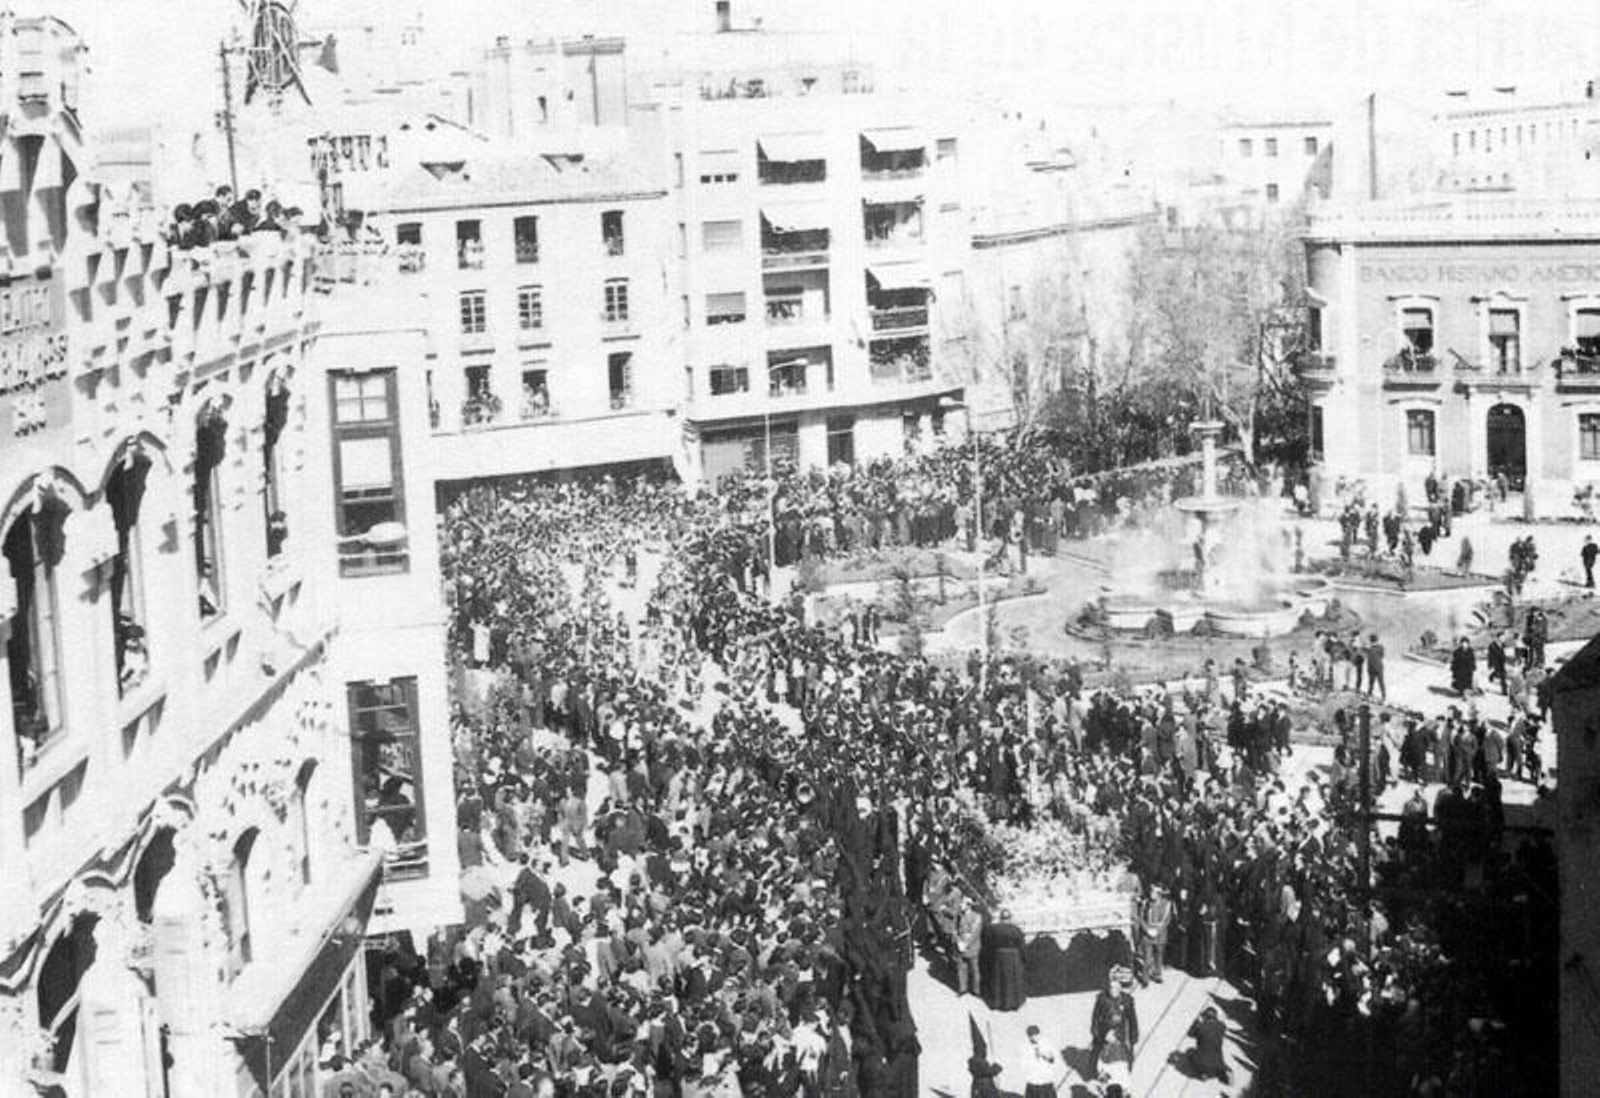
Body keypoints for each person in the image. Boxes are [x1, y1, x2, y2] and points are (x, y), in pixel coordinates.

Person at [1089, 968, 1139, 1080]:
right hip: (1104, 1033)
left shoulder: (1127, 1001)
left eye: (1115, 987)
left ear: (1120, 988)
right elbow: (1095, 1018)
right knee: (1100, 1057)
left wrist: (1133, 1037)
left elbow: (1132, 1020)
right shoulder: (1101, 999)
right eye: (1111, 987)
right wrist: (1096, 1034)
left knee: (1122, 1060)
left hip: (1120, 1034)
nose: (1112, 990)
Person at [985, 908, 1027, 1011]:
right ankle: (1014, 1003)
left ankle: (999, 1003)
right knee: (1013, 979)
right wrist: (1023, 958)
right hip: (1013, 956)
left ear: (1001, 918)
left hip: (999, 955)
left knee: (999, 980)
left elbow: (989, 943)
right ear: (1010, 918)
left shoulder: (993, 929)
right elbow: (1021, 945)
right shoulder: (1016, 929)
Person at [1185, 1005, 1231, 1084]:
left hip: (1203, 1061)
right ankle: (1223, 1070)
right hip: (1218, 1060)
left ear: (1205, 1017)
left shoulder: (1201, 1026)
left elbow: (1190, 1034)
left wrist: (1195, 1023)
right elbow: (1222, 1026)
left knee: (1190, 1052)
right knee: (1216, 1058)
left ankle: (1203, 1073)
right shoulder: (1222, 1026)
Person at [1139, 885, 1172, 984]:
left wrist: (1159, 930)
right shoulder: (1145, 903)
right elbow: (1140, 918)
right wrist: (1147, 929)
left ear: (1159, 894)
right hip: (1148, 933)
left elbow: (1167, 920)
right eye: (1150, 892)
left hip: (1160, 933)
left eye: (1153, 893)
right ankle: (1145, 978)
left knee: (1159, 954)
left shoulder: (1166, 904)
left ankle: (1157, 974)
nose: (1151, 894)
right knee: (1147, 956)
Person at [1019, 1025, 1063, 1098]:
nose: (1035, 1037)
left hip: (1046, 1081)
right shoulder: (1025, 1047)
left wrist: (1046, 1056)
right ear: (1029, 1037)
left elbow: (1054, 1059)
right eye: (1032, 1036)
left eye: (1037, 1035)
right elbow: (1023, 1064)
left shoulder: (1047, 1044)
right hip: (1033, 1081)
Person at [1365, 633, 1387, 702]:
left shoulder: (1369, 648)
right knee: (1380, 682)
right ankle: (1383, 696)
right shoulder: (1380, 647)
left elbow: (1368, 655)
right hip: (1378, 666)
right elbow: (1382, 656)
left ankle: (1370, 694)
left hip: (1372, 667)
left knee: (1372, 682)